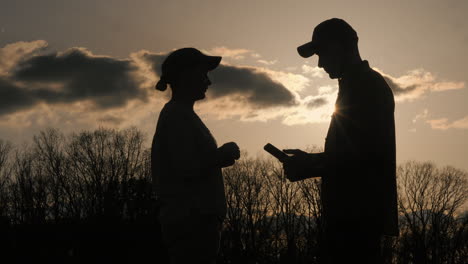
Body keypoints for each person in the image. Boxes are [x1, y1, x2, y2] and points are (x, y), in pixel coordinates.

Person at [284, 18, 399, 263]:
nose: (319, 63)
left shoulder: (365, 87)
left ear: (338, 47)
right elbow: (354, 153)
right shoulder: (356, 85)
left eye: (321, 53)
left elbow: (362, 158)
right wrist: (312, 161)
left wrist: (309, 166)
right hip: (351, 219)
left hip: (357, 221)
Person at [151, 48, 240, 264]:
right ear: (186, 76)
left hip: (196, 223)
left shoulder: (182, 115)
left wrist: (218, 159)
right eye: (203, 74)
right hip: (191, 224)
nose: (208, 82)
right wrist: (219, 156)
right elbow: (185, 168)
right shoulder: (176, 115)